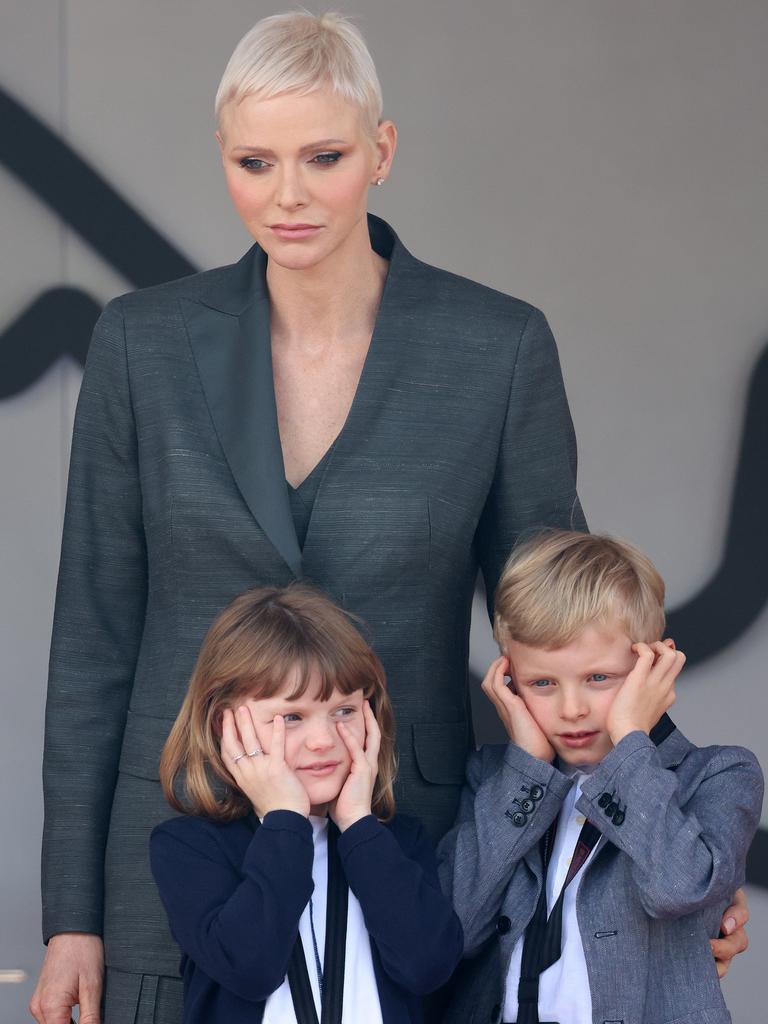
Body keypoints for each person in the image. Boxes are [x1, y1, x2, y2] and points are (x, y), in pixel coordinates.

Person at [29, 11, 749, 1024]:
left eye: (322, 156)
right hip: (180, 854)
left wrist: (679, 849)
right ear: (223, 157)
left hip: (419, 861)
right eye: (254, 160)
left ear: (382, 150)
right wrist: (72, 919)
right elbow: (93, 643)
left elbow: (566, 625)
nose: (287, 194)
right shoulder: (140, 345)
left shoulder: (493, 349)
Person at [438, 530, 763, 1024]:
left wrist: (630, 742)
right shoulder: (497, 780)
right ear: (508, 681)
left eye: (599, 679)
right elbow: (452, 930)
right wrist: (527, 765)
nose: (572, 709)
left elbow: (677, 889)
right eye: (541, 683)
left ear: (655, 664)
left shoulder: (720, 774)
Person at [149, 583, 463, 1024]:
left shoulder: (394, 841)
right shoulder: (189, 847)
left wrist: (358, 823)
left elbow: (428, 966)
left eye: (344, 711)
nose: (323, 741)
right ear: (228, 725)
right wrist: (284, 821)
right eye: (291, 717)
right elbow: (249, 967)